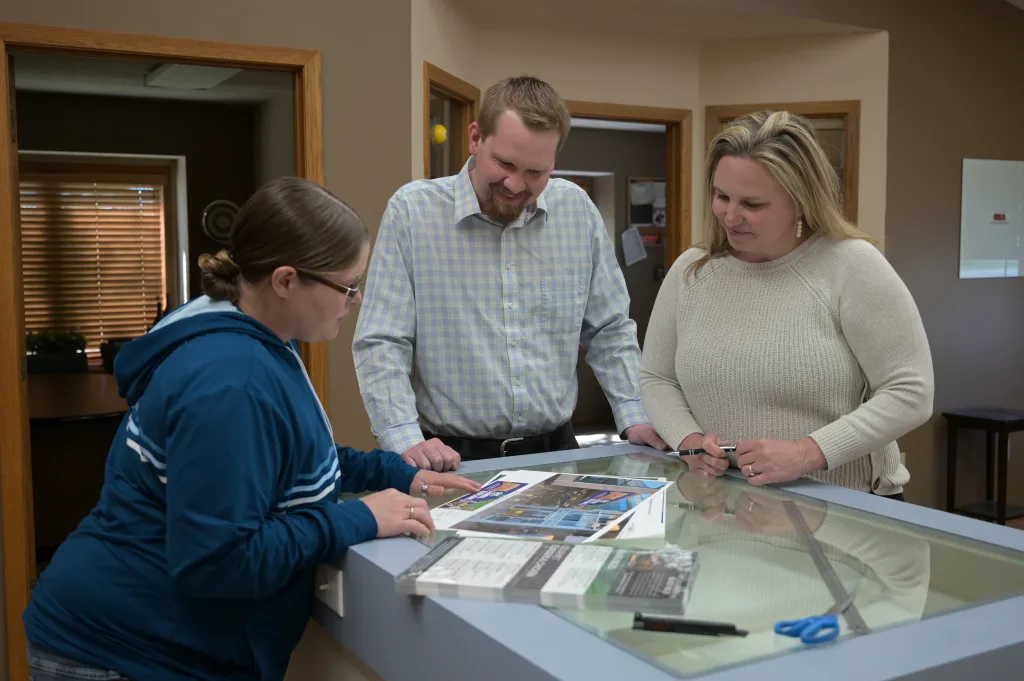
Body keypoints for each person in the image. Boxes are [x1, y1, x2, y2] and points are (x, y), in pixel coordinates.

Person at [22, 177, 480, 681]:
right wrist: (359, 519)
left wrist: (391, 471)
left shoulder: (262, 338)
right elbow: (219, 561)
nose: (356, 300)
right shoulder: (230, 380)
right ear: (285, 281)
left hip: (155, 640)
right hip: (124, 649)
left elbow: (288, 458)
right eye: (348, 286)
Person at [353, 75, 667, 470]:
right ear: (475, 138)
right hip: (452, 459)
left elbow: (609, 329)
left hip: (558, 453)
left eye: (536, 172)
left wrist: (634, 412)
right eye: (504, 164)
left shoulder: (576, 211)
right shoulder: (412, 213)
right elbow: (382, 341)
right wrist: (402, 437)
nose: (516, 184)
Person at [639, 110, 934, 498]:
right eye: (721, 196)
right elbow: (656, 378)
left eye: (753, 204)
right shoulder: (691, 272)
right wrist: (688, 439)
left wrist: (806, 454)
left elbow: (910, 392)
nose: (730, 216)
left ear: (800, 201)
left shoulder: (851, 265)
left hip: (845, 510)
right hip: (725, 505)